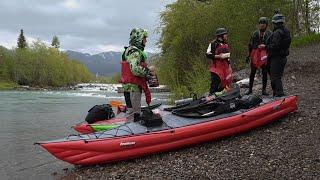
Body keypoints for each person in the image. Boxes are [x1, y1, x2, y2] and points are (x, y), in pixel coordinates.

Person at [120, 28, 152, 120]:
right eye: (144, 38)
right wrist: (148, 72)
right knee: (134, 115)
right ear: (138, 38)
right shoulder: (134, 52)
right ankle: (130, 132)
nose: (146, 40)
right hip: (133, 89)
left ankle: (131, 129)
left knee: (132, 113)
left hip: (130, 88)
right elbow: (135, 69)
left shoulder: (131, 50)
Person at [266, 12, 291, 97]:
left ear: (275, 23)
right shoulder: (286, 31)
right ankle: (277, 94)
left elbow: (275, 46)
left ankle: (279, 95)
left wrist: (266, 46)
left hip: (277, 58)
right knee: (277, 77)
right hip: (282, 57)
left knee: (275, 77)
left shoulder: (278, 32)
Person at [245, 17, 272, 95]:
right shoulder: (255, 33)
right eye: (260, 23)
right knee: (252, 72)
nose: (261, 25)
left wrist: (266, 48)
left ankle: (264, 90)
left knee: (264, 72)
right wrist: (248, 55)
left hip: (265, 55)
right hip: (255, 55)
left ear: (266, 25)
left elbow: (271, 45)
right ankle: (250, 89)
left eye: (263, 23)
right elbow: (250, 45)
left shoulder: (269, 33)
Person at [206, 27, 232, 96]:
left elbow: (227, 58)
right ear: (220, 36)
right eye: (225, 34)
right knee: (215, 86)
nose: (226, 36)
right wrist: (218, 56)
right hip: (216, 70)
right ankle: (211, 98)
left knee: (225, 85)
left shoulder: (225, 44)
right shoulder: (213, 44)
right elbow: (208, 54)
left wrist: (229, 67)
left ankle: (223, 99)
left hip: (225, 69)